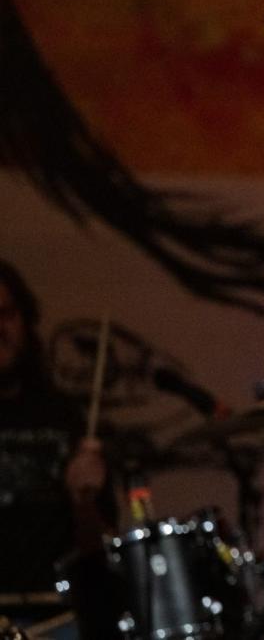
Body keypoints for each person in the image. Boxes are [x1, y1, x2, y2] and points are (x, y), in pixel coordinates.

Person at [0, 260, 119, 639]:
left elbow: (99, 547)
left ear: (26, 319)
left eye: (5, 314)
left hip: (58, 619)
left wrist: (82, 499)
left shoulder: (66, 419)